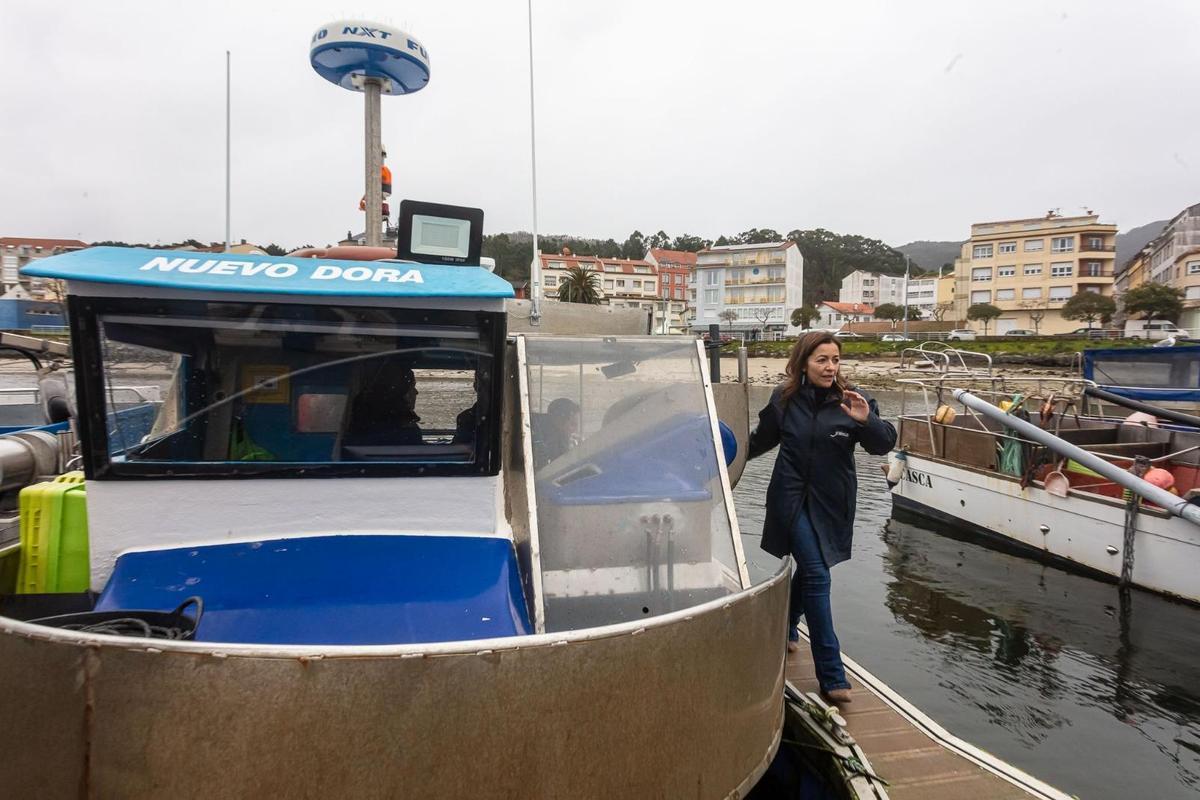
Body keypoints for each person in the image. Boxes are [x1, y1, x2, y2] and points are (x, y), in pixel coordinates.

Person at [746, 331, 896, 705]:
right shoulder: (783, 399)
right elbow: (761, 441)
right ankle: (831, 674)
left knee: (811, 570)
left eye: (835, 360)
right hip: (790, 498)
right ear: (803, 364)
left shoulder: (852, 400)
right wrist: (721, 458)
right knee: (816, 572)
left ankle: (785, 626)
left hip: (831, 503)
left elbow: (883, 443)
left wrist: (866, 422)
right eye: (822, 360)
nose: (830, 367)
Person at [533, 397, 580, 468]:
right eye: (573, 424)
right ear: (559, 420)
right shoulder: (535, 432)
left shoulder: (559, 433)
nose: (576, 430)